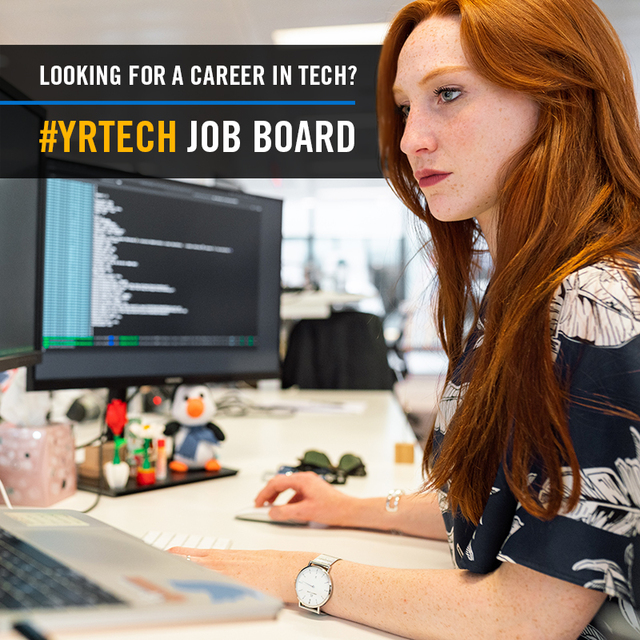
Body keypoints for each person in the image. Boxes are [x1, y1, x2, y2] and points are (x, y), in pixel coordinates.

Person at [169, 0, 640, 637]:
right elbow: (511, 508)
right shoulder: (526, 295)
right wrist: (351, 508)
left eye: (448, 93)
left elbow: (530, 615)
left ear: (560, 98)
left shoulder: (598, 302)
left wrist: (294, 574)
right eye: (406, 106)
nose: (411, 137)